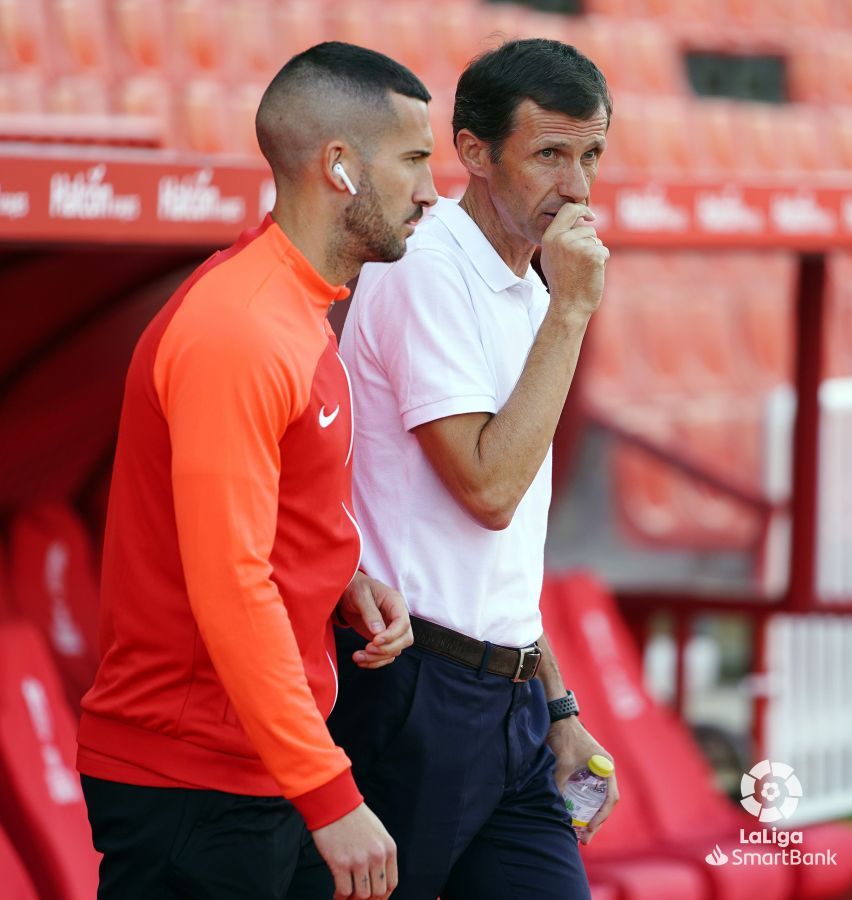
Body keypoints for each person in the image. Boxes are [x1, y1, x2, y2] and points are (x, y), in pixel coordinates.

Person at [77, 42, 437, 900]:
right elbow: (230, 582)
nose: (430, 191)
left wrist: (340, 574)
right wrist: (328, 790)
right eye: (415, 161)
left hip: (258, 765)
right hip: (195, 784)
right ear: (340, 167)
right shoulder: (239, 328)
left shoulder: (292, 305)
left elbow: (266, 519)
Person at [329, 38, 618, 900]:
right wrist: (572, 309)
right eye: (551, 155)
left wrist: (556, 703)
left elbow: (503, 552)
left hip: (512, 698)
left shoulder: (532, 287)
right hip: (413, 689)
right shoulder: (426, 268)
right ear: (473, 153)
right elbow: (489, 491)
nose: (577, 186)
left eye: (592, 155)